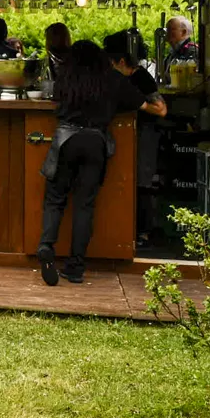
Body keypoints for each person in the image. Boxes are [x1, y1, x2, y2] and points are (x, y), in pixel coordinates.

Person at [36, 39, 167, 286]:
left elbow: (53, 101)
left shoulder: (66, 78)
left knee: (55, 199)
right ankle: (75, 268)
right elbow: (149, 107)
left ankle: (46, 246)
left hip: (66, 141)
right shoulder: (113, 80)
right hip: (96, 142)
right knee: (85, 206)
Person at [105, 29, 166, 250]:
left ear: (121, 61)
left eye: (111, 62)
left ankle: (145, 233)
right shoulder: (125, 78)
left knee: (143, 182)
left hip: (146, 134)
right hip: (133, 134)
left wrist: (141, 105)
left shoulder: (139, 77)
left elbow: (161, 110)